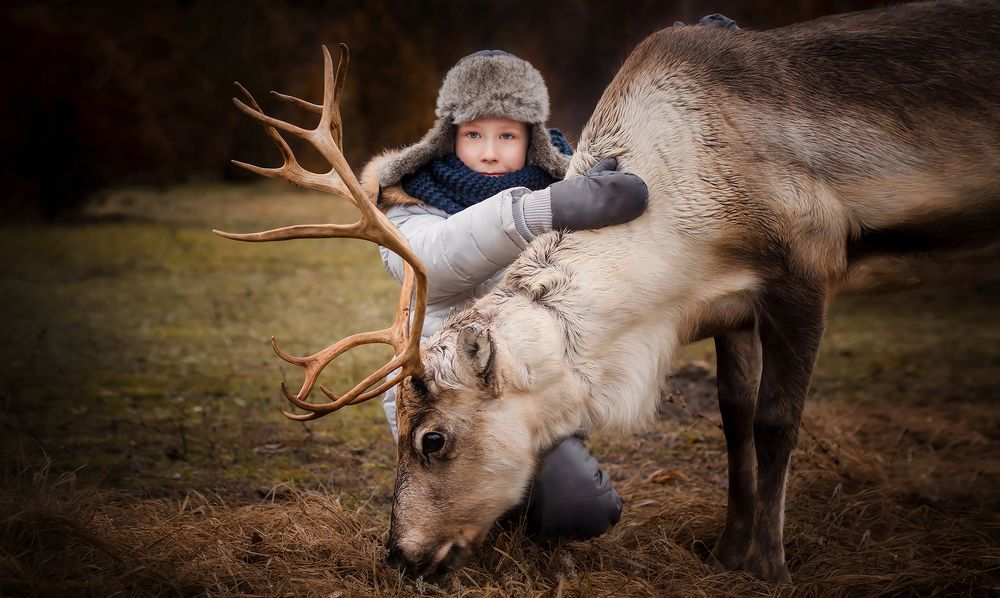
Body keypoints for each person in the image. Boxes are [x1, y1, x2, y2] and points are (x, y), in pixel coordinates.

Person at [359, 50, 648, 541]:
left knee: (580, 508)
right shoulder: (409, 203)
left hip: (532, 399)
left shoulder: (563, 193)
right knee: (476, 502)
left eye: (507, 136)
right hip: (446, 415)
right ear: (447, 136)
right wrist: (536, 212)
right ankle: (477, 508)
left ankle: (528, 502)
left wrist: (707, 64)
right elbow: (435, 263)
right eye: (474, 134)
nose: (489, 151)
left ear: (532, 140)